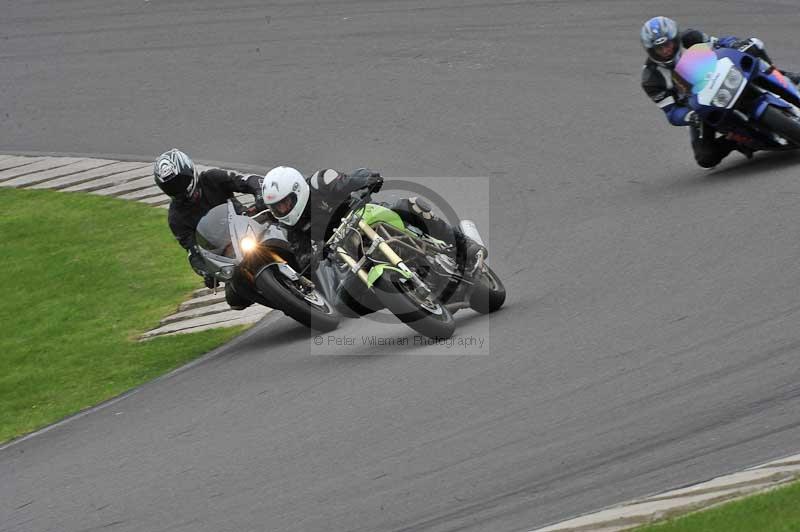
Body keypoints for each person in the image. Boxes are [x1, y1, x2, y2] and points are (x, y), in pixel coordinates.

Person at [260, 165, 487, 280]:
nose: (283, 210)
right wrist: (312, 259)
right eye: (277, 207)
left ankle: (462, 244)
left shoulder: (320, 182)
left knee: (409, 205)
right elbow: (303, 258)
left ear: (298, 190)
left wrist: (367, 179)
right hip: (350, 251)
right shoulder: (292, 227)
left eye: (285, 203)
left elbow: (348, 180)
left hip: (367, 215)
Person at [640, 16, 800, 168]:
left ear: (675, 39)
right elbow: (672, 112)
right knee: (706, 157)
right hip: (700, 106)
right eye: (659, 48)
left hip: (724, 78)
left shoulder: (690, 38)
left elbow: (719, 44)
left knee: (754, 45)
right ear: (650, 51)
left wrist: (734, 43)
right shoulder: (652, 79)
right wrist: (691, 116)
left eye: (667, 44)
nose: (665, 51)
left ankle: (783, 77)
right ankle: (738, 140)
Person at [153, 148, 266, 310]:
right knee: (235, 299)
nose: (178, 188)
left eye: (180, 181)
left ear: (190, 171)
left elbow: (246, 180)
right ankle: (282, 299)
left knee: (283, 220)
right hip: (228, 255)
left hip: (248, 223)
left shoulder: (211, 178)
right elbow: (193, 252)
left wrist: (259, 193)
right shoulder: (176, 218)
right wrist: (207, 272)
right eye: (171, 187)